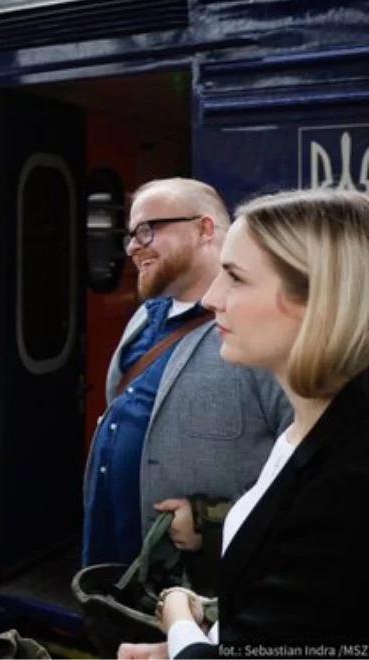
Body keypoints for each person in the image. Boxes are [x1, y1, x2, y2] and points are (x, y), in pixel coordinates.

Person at [119, 189, 369, 659]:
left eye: (234, 278)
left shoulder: (348, 485)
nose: (213, 299)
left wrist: (178, 624)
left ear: (318, 297)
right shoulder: (314, 428)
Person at [82, 178, 290, 591]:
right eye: (130, 235)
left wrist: (211, 520)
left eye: (147, 230)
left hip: (195, 590)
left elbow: (310, 468)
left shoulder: (260, 330)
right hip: (116, 566)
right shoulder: (145, 317)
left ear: (205, 229)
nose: (132, 247)